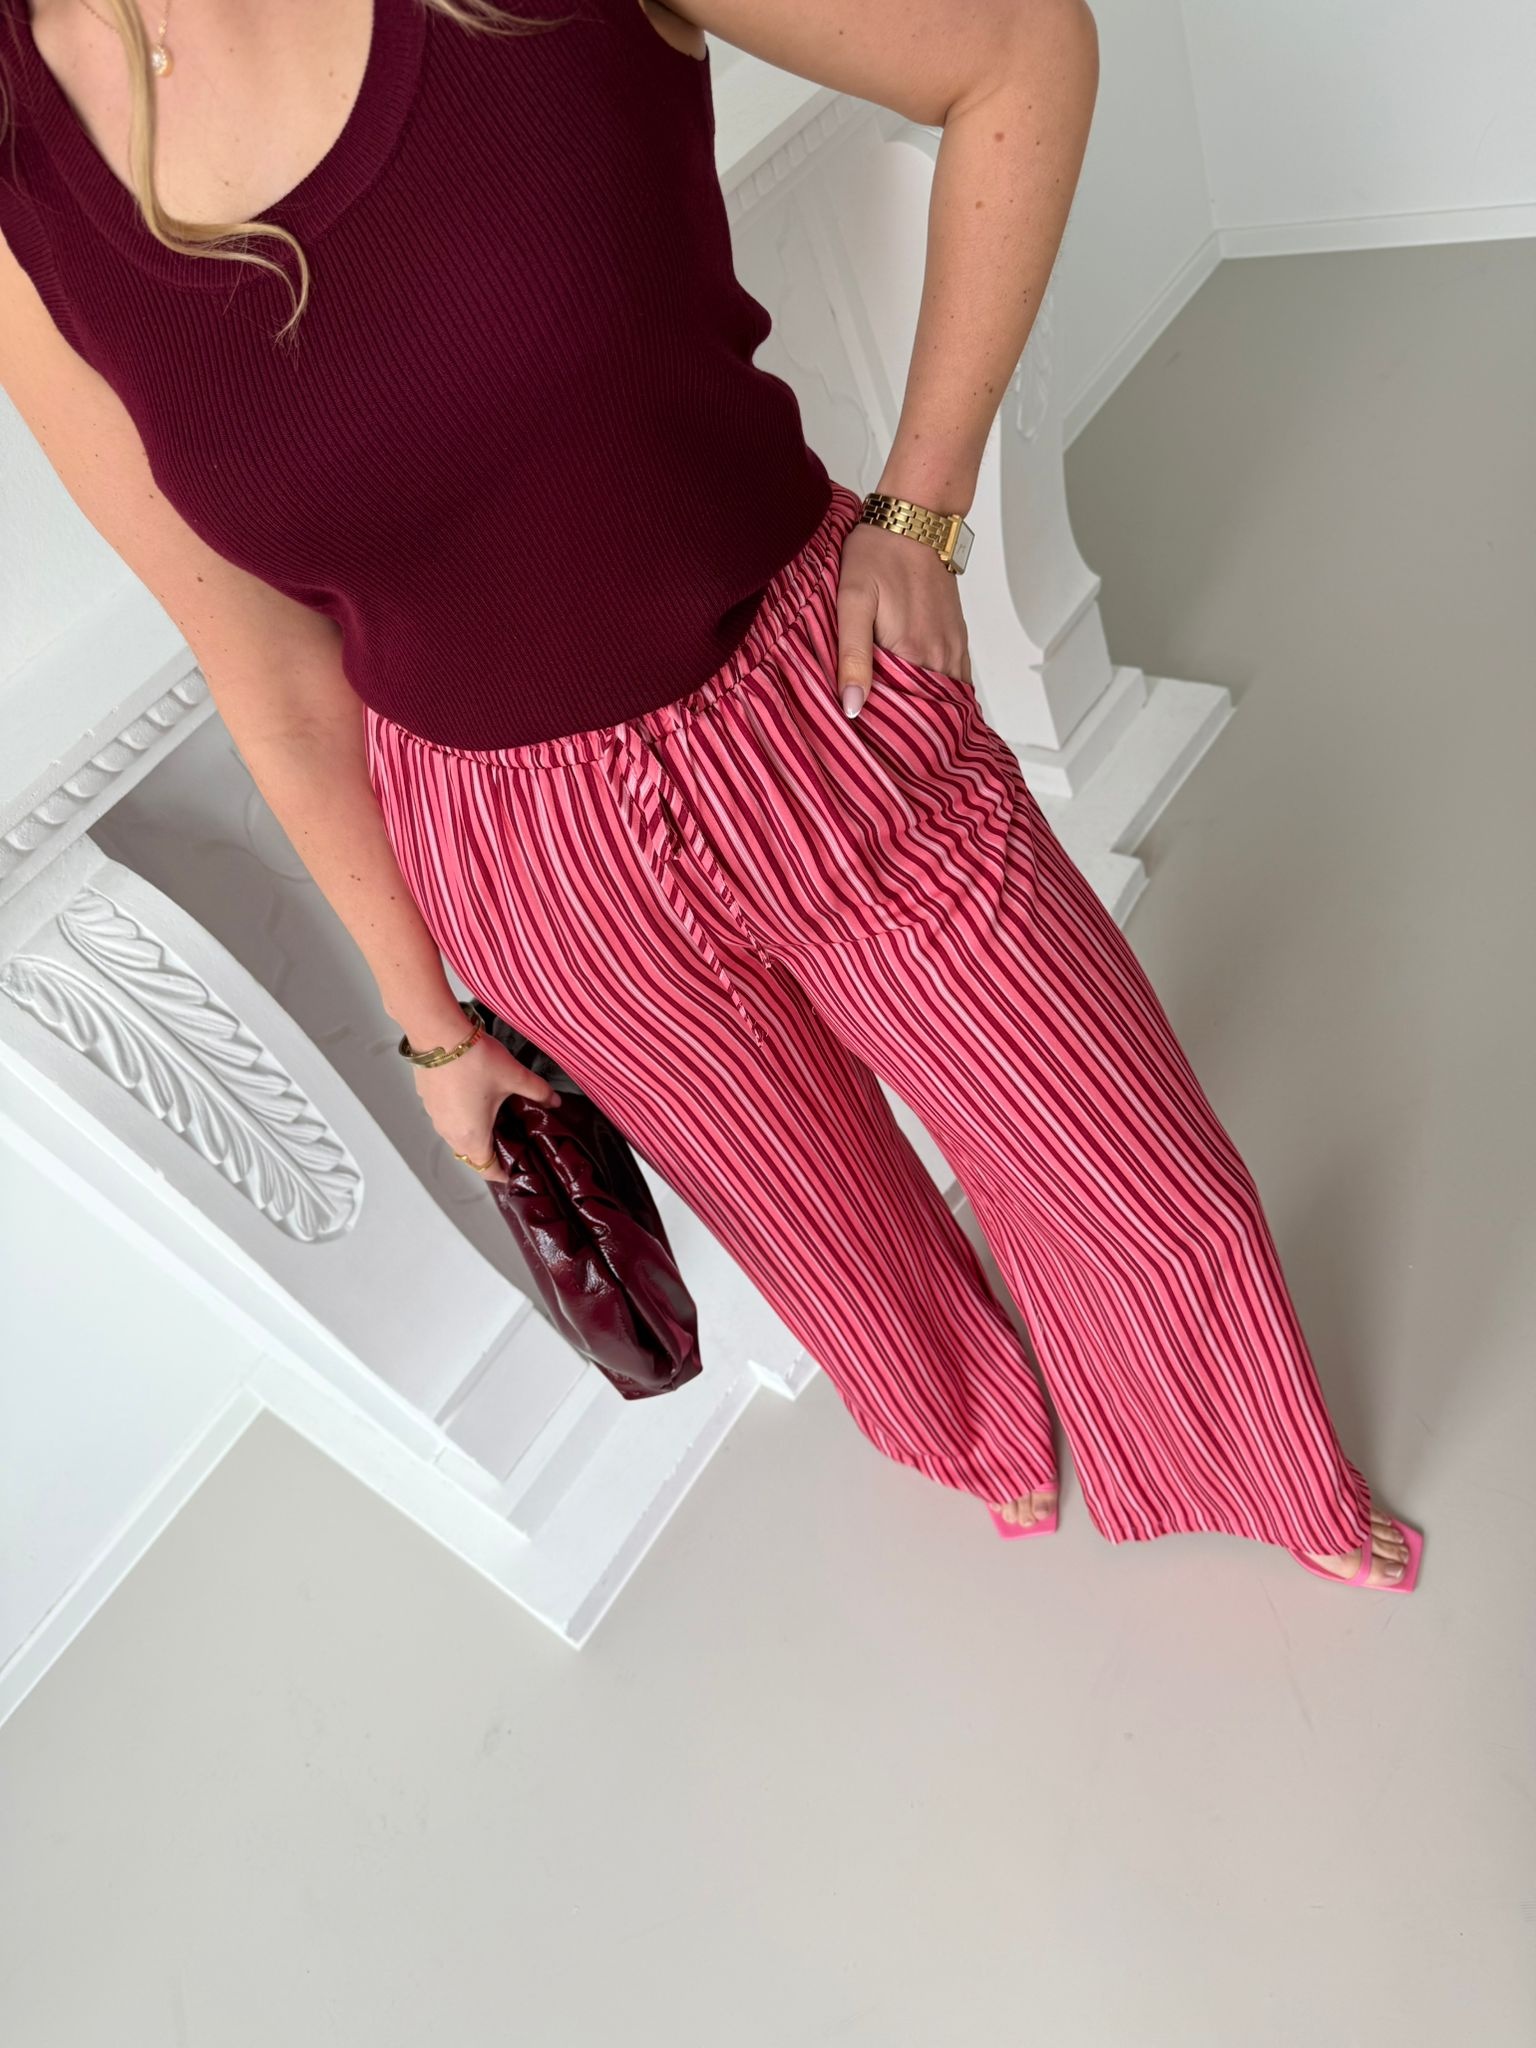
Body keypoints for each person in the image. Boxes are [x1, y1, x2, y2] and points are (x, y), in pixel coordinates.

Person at [0, 0, 1421, 1590]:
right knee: (818, 1227)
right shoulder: (19, 162)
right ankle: (969, 1430)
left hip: (813, 697)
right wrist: (434, 1032)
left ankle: (1237, 1455)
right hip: (516, 853)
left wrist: (923, 508)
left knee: (1126, 1167)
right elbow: (264, 663)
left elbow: (1017, 51)